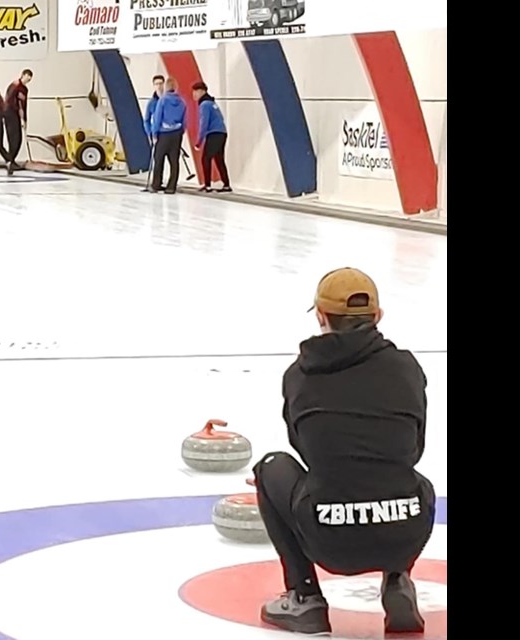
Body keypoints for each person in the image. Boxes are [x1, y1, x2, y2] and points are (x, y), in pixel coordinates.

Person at [253, 267, 435, 636]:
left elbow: (304, 449)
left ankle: (306, 598)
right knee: (411, 479)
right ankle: (398, 577)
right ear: (378, 317)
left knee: (271, 467)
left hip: (329, 536)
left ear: (321, 317)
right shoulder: (406, 368)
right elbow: (413, 448)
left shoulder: (299, 375)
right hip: (405, 528)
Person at [191, 82, 231, 193]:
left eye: (195, 92)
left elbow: (204, 124)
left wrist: (199, 141)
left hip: (214, 133)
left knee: (206, 158)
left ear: (201, 91)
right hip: (222, 132)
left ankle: (207, 185)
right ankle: (226, 184)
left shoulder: (204, 105)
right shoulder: (212, 103)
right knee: (219, 159)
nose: (193, 94)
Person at [149, 78, 186, 194]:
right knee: (174, 161)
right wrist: (181, 131)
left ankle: (156, 184)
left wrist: (154, 133)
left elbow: (157, 118)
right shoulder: (182, 102)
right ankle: (171, 186)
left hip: (163, 133)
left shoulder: (163, 100)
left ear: (166, 87)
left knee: (159, 159)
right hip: (176, 133)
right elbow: (185, 120)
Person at [3, 69, 32, 175]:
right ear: (23, 75)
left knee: (18, 139)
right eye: (28, 76)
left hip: (16, 115)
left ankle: (11, 161)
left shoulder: (24, 89)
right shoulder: (14, 86)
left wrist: (24, 119)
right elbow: (8, 101)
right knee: (13, 139)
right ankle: (10, 161)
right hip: (9, 114)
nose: (29, 79)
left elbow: (24, 105)